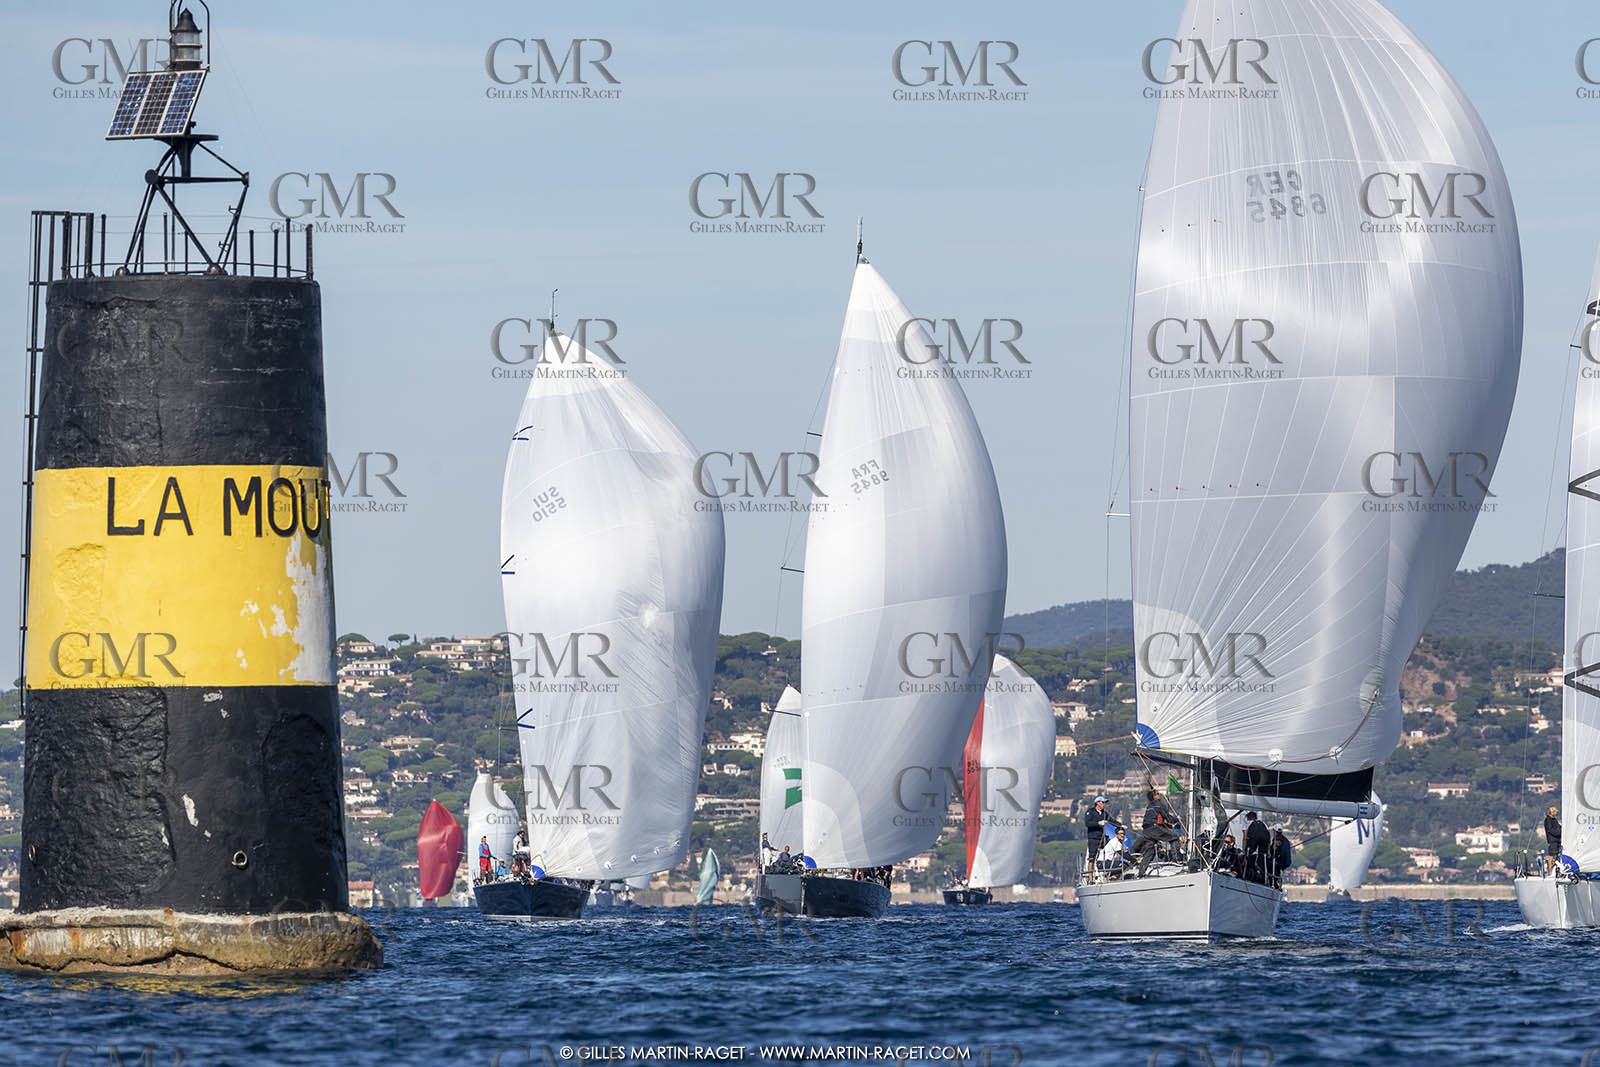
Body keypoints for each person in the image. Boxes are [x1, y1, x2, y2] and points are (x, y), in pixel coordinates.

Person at [1133, 791, 1181, 877]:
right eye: (1158, 794)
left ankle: (1141, 873)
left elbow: (1159, 818)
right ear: (1154, 796)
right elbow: (1167, 816)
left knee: (1150, 851)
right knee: (1174, 837)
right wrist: (1177, 819)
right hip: (1154, 828)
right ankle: (1176, 860)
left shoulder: (1149, 806)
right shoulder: (1158, 804)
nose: (1160, 795)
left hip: (1146, 830)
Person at [1243, 812, 1271, 884]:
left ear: (1248, 817)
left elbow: (1245, 837)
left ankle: (1247, 875)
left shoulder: (1247, 823)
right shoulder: (1263, 824)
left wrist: (1244, 850)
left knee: (1249, 855)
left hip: (1253, 838)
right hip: (1265, 839)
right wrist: (1268, 851)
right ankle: (1263, 878)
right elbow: (1268, 838)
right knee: (1262, 857)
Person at [1545, 805, 1563, 873]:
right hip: (1552, 840)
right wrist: (1558, 833)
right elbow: (1550, 830)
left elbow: (1558, 827)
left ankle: (1556, 870)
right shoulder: (1548, 820)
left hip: (1557, 840)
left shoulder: (1554, 819)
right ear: (1552, 812)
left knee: (1556, 855)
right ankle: (1549, 871)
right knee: (1551, 855)